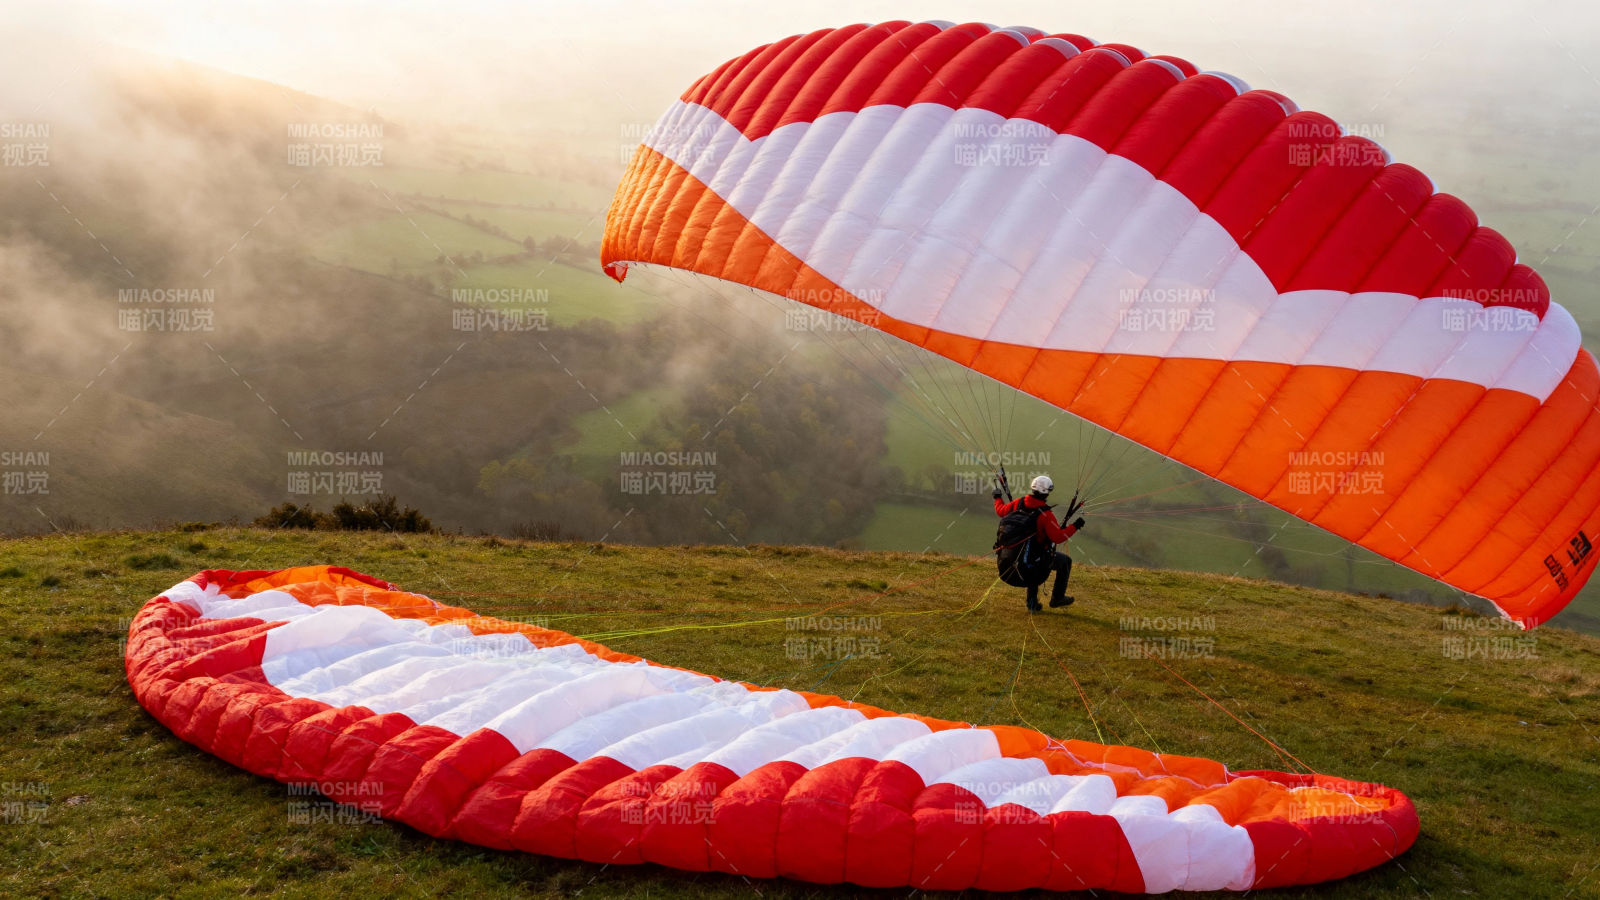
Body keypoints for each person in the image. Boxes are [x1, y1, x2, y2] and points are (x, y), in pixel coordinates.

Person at [993, 475, 1085, 613]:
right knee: (1064, 561)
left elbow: (1001, 511)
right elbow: (1058, 537)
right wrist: (1075, 526)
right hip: (1029, 569)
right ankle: (1057, 598)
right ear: (1047, 492)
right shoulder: (1046, 514)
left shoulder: (1019, 503)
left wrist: (997, 498)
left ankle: (1032, 604)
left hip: (1009, 566)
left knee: (1031, 558)